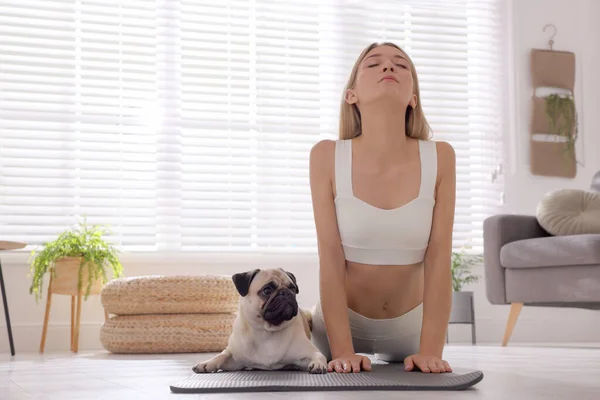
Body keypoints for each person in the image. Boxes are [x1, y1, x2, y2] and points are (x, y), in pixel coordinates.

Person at [308, 42, 456, 374]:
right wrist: (343, 351)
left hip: (414, 331)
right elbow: (330, 257)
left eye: (401, 65)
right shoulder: (326, 156)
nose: (388, 68)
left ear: (412, 98)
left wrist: (431, 350)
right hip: (340, 328)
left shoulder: (441, 156)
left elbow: (438, 256)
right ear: (351, 95)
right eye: (373, 64)